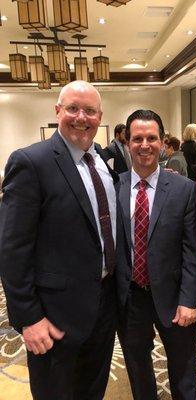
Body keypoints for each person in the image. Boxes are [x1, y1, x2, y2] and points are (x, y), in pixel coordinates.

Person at [0, 81, 119, 400]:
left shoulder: (103, 164)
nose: (82, 117)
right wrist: (28, 318)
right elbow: (12, 249)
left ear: (100, 116)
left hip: (104, 306)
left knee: (92, 389)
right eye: (73, 108)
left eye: (90, 111)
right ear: (57, 112)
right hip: (53, 315)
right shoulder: (30, 162)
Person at [116, 109, 196, 400]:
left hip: (174, 297)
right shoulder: (112, 187)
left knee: (184, 372)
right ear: (127, 142)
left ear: (163, 142)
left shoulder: (183, 189)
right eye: (137, 138)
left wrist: (190, 300)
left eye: (152, 138)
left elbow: (192, 250)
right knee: (138, 370)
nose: (145, 145)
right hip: (130, 300)